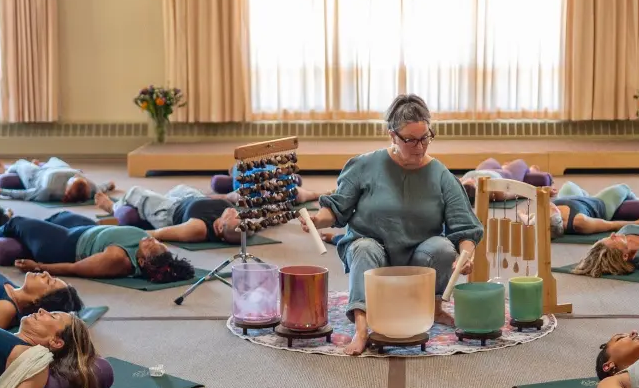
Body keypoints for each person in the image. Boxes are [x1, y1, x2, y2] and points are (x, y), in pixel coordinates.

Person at [300, 94, 483, 356]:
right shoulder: (364, 165)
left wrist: (466, 255)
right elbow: (337, 207)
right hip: (374, 254)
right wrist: (318, 220)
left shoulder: (441, 175)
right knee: (363, 248)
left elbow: (464, 228)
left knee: (443, 248)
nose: (420, 147)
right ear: (392, 136)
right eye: (411, 140)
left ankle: (433, 308)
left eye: (425, 138)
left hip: (418, 259)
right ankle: (362, 328)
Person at [0, 211, 195, 283]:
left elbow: (75, 269)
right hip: (86, 229)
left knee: (18, 222)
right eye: (157, 242)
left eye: (151, 246)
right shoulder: (149, 248)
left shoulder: (117, 260)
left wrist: (39, 266)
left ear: (141, 261)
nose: (151, 240)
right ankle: (25, 238)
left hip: (64, 245)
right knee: (61, 214)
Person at [94, 182, 321, 244]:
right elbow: (270, 218)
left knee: (136, 192)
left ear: (220, 227)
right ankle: (313, 193)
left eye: (234, 216)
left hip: (169, 209)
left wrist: (124, 234)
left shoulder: (196, 229)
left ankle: (111, 206)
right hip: (193, 196)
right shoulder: (235, 220)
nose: (235, 212)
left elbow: (159, 233)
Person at [522, 182, 639, 239]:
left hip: (573, 198)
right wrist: (637, 223)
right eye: (551, 209)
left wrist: (522, 215)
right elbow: (610, 225)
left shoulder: (545, 218)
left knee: (568, 185)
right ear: (557, 215)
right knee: (623, 188)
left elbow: (526, 218)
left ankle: (584, 194)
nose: (550, 205)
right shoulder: (580, 222)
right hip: (598, 203)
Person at [0, 156, 115, 204]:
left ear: (67, 189)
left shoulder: (48, 190)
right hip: (59, 167)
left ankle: (4, 172)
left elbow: (26, 194)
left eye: (73, 179)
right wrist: (108, 185)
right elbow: (100, 188)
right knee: (54, 158)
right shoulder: (90, 186)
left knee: (21, 163)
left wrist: (1, 191)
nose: (76, 176)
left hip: (37, 176)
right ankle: (39, 164)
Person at [460, 158, 547, 201]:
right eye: (474, 182)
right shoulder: (495, 193)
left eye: (470, 180)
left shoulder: (461, 186)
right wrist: (539, 192)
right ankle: (532, 170)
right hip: (505, 175)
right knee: (520, 162)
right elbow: (518, 192)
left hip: (483, 170)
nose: (472, 179)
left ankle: (505, 166)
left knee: (491, 160)